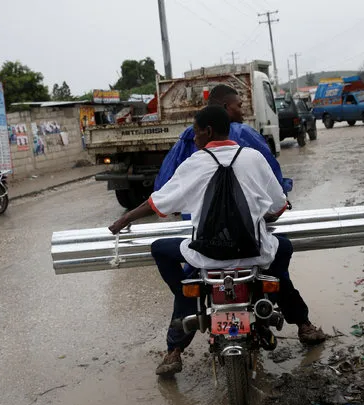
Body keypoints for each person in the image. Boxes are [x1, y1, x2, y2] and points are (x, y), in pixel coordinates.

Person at [109, 106, 325, 377]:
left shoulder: (194, 163)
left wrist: (125, 218)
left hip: (207, 257)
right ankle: (303, 325)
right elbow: (280, 203)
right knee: (282, 257)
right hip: (255, 254)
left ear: (208, 131)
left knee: (165, 257)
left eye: (196, 132)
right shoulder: (254, 158)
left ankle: (175, 348)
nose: (194, 138)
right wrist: (264, 214)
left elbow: (157, 203)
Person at [154, 84, 292, 196]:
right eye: (239, 106)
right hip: (243, 221)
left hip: (197, 223)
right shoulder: (244, 133)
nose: (242, 111)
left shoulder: (189, 136)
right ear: (226, 107)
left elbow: (164, 184)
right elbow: (271, 174)